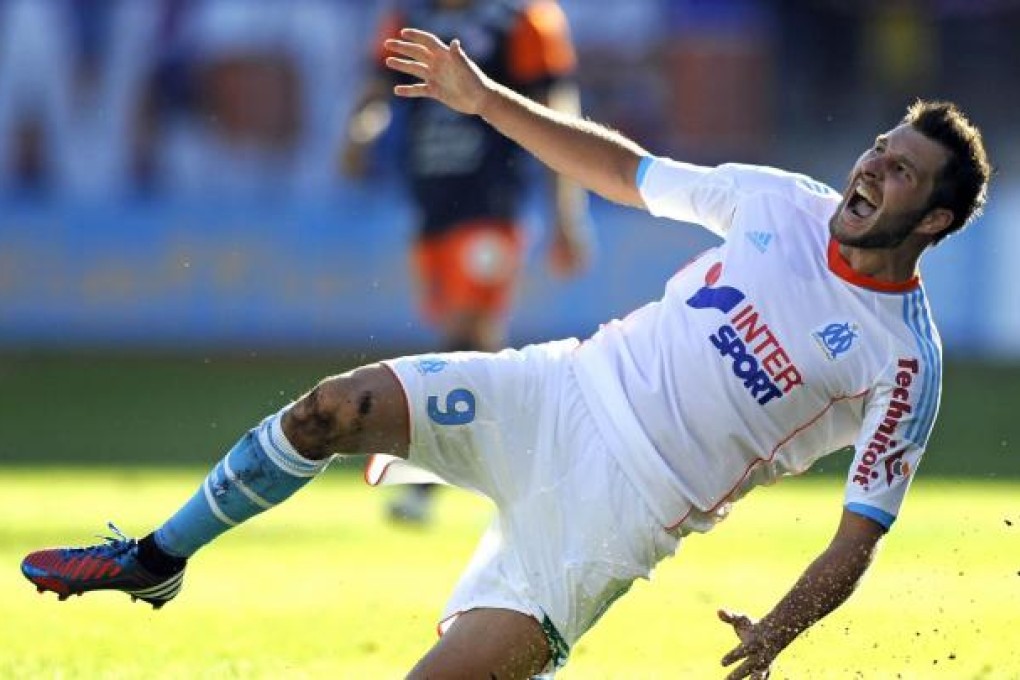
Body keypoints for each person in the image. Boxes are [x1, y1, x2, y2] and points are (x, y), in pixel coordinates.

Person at [21, 26, 991, 680]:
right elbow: (622, 170)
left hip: (614, 516)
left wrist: (775, 635)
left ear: (936, 218)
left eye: (901, 169)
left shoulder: (901, 360)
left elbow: (860, 535)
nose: (871, 165)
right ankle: (153, 556)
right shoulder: (780, 200)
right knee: (329, 409)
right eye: (878, 145)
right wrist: (485, 101)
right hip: (557, 387)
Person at [341, 0, 590, 524]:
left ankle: (424, 485)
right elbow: (375, 91)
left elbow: (557, 115)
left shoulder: (525, 21)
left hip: (493, 204)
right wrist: (359, 129)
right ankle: (537, 470)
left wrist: (568, 213)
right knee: (475, 351)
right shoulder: (407, 18)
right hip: (432, 206)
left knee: (465, 335)